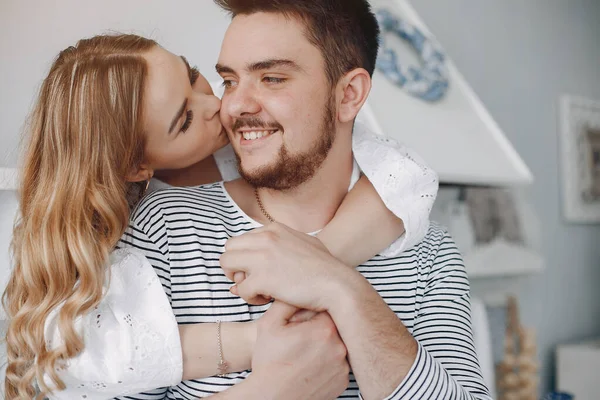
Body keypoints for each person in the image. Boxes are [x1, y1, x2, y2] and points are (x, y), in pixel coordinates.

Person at [2, 32, 438, 400]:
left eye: (194, 76)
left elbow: (406, 175)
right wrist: (261, 368)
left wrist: (311, 267)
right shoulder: (138, 241)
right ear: (137, 167)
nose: (218, 105)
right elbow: (99, 353)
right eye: (185, 119)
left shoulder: (260, 143)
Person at [115, 0, 492, 399]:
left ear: (349, 94)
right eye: (229, 80)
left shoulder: (429, 254)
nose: (235, 105)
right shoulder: (168, 226)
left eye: (272, 78)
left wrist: (339, 286)